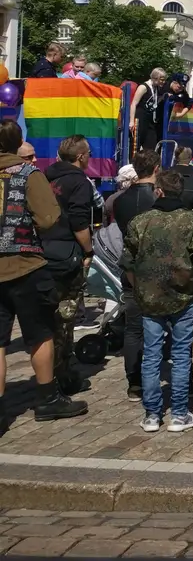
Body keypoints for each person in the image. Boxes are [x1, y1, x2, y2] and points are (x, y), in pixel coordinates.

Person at [0, 120, 87, 430]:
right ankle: (47, 398)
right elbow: (49, 217)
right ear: (16, 144)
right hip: (24, 264)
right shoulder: (27, 174)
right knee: (40, 334)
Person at [121, 169, 193, 433]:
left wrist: (138, 286)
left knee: (152, 354)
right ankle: (180, 414)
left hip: (149, 294)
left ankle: (151, 414)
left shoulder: (141, 221)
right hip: (182, 293)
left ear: (158, 190)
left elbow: (128, 263)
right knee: (181, 354)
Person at [42, 135, 97, 393]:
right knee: (65, 318)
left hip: (41, 252)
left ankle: (46, 373)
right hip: (66, 255)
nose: (90, 157)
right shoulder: (78, 182)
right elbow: (79, 222)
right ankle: (62, 377)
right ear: (80, 156)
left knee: (45, 319)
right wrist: (89, 250)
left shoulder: (45, 177)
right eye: (88, 153)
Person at [114, 149, 158, 398]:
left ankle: (135, 381)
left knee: (134, 327)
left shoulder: (120, 200)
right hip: (155, 267)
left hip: (131, 264)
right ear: (156, 168)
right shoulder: (157, 198)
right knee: (164, 324)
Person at [129, 68, 170, 152]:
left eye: (164, 80)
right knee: (135, 145)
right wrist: (131, 121)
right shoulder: (143, 87)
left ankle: (148, 163)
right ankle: (133, 163)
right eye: (161, 80)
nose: (163, 82)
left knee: (151, 145)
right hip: (140, 119)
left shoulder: (156, 88)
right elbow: (134, 104)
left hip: (150, 120)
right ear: (155, 78)